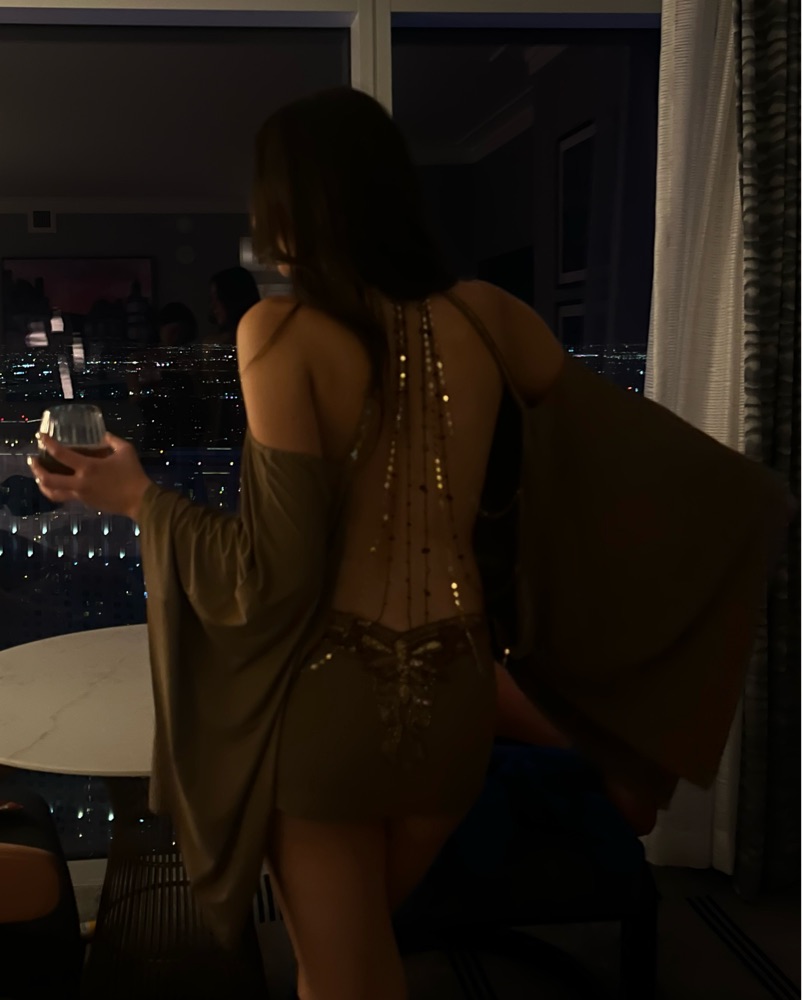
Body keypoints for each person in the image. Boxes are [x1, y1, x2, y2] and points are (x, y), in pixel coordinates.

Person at [29, 87, 788, 1000]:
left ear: (287, 209)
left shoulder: (279, 329)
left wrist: (135, 498)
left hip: (334, 706)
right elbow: (630, 467)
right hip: (457, 699)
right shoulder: (490, 316)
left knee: (342, 975)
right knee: (357, 960)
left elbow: (276, 574)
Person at [205, 266, 261, 345]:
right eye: (212, 299)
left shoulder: (259, 338)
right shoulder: (215, 343)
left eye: (218, 297)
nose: (213, 306)